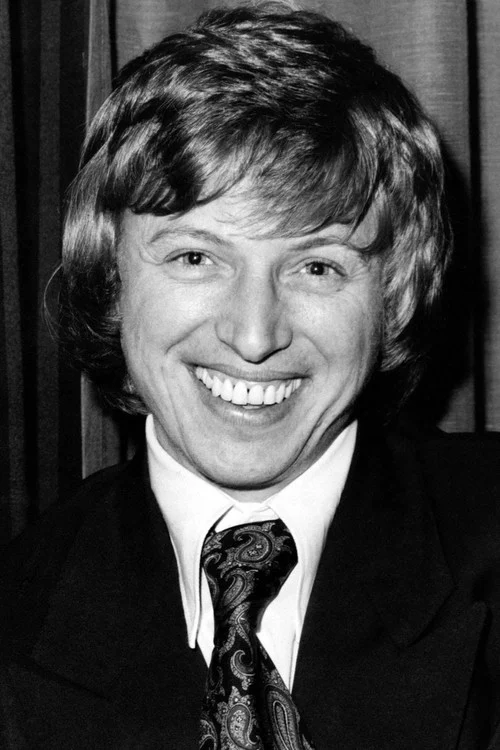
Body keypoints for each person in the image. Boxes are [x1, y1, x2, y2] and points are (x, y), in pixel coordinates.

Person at [1, 3, 500, 749]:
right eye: (196, 257)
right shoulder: (18, 611)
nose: (255, 336)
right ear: (110, 277)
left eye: (317, 266)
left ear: (394, 297)